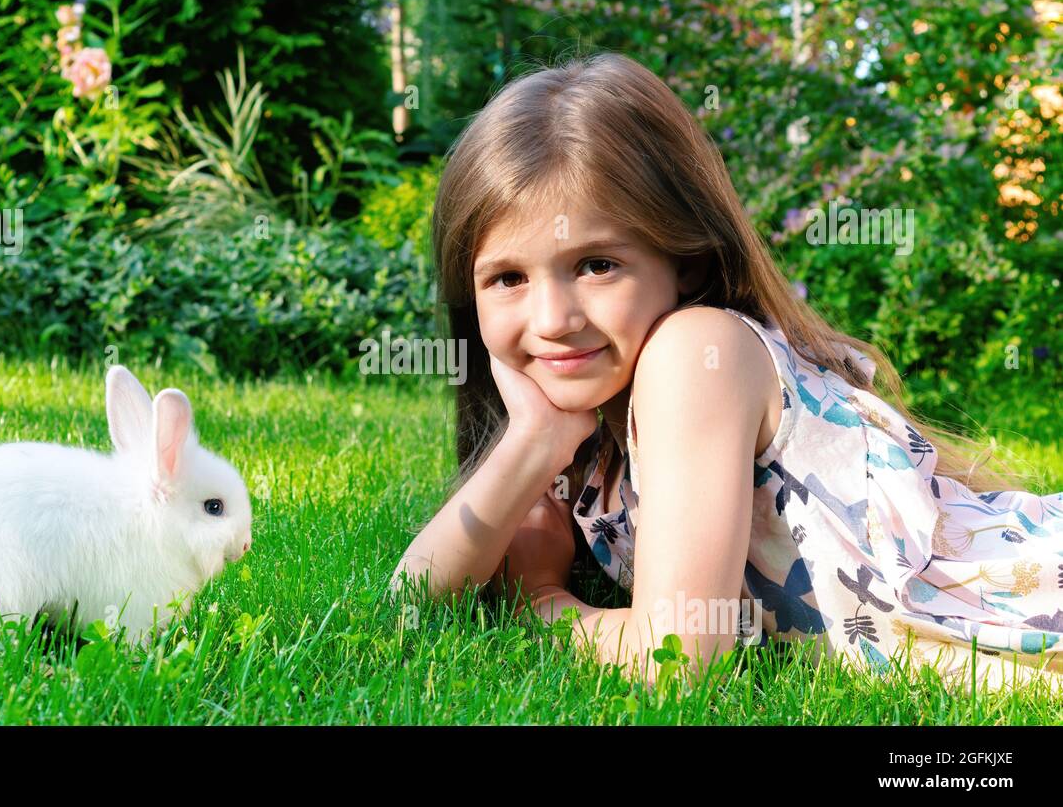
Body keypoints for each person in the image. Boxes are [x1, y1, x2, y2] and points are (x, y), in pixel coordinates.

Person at [388, 51, 1063, 695]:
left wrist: (544, 604)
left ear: (685, 262)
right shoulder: (583, 436)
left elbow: (674, 660)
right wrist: (533, 440)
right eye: (507, 277)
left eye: (596, 264)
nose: (554, 316)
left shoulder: (694, 354)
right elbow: (412, 599)